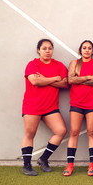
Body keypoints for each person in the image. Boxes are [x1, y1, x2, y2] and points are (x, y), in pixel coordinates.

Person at [21, 39, 68, 176]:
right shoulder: (32, 64)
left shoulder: (59, 65)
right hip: (32, 106)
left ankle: (43, 159)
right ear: (39, 50)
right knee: (30, 134)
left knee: (61, 131)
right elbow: (35, 81)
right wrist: (55, 78)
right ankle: (27, 165)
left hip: (50, 107)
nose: (47, 51)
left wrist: (45, 80)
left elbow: (65, 84)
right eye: (44, 48)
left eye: (50, 48)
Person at [63, 40, 93, 177]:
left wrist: (79, 78)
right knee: (74, 132)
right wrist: (87, 77)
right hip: (76, 103)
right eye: (84, 48)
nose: (87, 50)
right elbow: (70, 80)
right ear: (80, 50)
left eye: (89, 48)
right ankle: (70, 165)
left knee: (92, 132)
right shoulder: (74, 63)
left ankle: (92, 165)